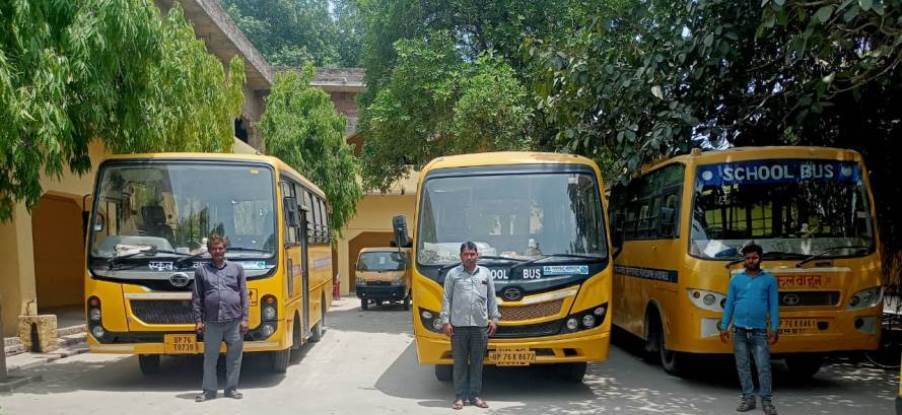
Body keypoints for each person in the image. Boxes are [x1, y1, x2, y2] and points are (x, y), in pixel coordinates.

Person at [719, 243, 779, 415]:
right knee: (743, 366)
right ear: (744, 260)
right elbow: (729, 305)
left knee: (763, 367)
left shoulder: (769, 280)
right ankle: (748, 398)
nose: (751, 261)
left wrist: (774, 328)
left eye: (755, 257)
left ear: (760, 258)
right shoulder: (736, 280)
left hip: (759, 332)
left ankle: (767, 401)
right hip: (739, 331)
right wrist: (724, 327)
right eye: (748, 258)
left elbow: (773, 306)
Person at [440, 241, 501, 410]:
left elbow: (492, 298)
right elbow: (446, 298)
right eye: (466, 254)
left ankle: (475, 396)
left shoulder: (485, 273)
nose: (469, 257)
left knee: (477, 364)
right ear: (461, 256)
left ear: (477, 255)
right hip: (458, 327)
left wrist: (494, 319)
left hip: (480, 327)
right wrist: (445, 321)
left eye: (472, 254)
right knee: (459, 363)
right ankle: (460, 397)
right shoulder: (453, 274)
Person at [191, 234, 249, 402]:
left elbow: (244, 295)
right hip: (212, 323)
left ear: (225, 249)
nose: (218, 251)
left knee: (234, 358)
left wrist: (245, 319)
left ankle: (231, 389)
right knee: (210, 359)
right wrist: (198, 321)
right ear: (209, 251)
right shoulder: (201, 271)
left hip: (234, 321)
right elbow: (197, 298)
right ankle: (209, 391)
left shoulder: (237, 269)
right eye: (214, 249)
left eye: (220, 248)